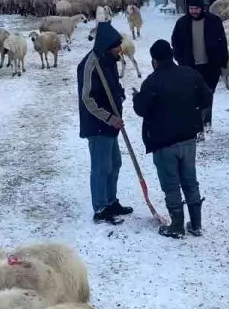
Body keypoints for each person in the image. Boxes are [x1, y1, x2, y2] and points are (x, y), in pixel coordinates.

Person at [132, 39, 211, 238]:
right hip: (188, 138)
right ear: (172, 55)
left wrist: (136, 98)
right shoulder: (190, 74)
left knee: (171, 183)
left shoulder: (152, 82)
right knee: (190, 180)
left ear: (154, 61)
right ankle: (196, 223)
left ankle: (176, 225)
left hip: (163, 141)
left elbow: (141, 109)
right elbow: (207, 98)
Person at [77, 20, 133, 225]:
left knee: (114, 164)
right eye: (117, 46)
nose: (120, 49)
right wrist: (109, 117)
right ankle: (100, 207)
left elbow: (111, 87)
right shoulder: (90, 64)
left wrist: (120, 95)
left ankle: (111, 201)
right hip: (98, 124)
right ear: (107, 45)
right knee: (101, 167)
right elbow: (87, 98)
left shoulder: (108, 60)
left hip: (111, 124)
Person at [170, 0, 228, 135]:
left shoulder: (213, 22)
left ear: (202, 8)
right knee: (193, 95)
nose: (194, 11)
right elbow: (175, 42)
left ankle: (207, 121)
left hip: (210, 65)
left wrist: (222, 61)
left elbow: (222, 42)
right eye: (191, 8)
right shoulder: (182, 23)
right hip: (190, 66)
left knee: (208, 93)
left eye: (196, 8)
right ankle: (197, 124)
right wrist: (180, 59)